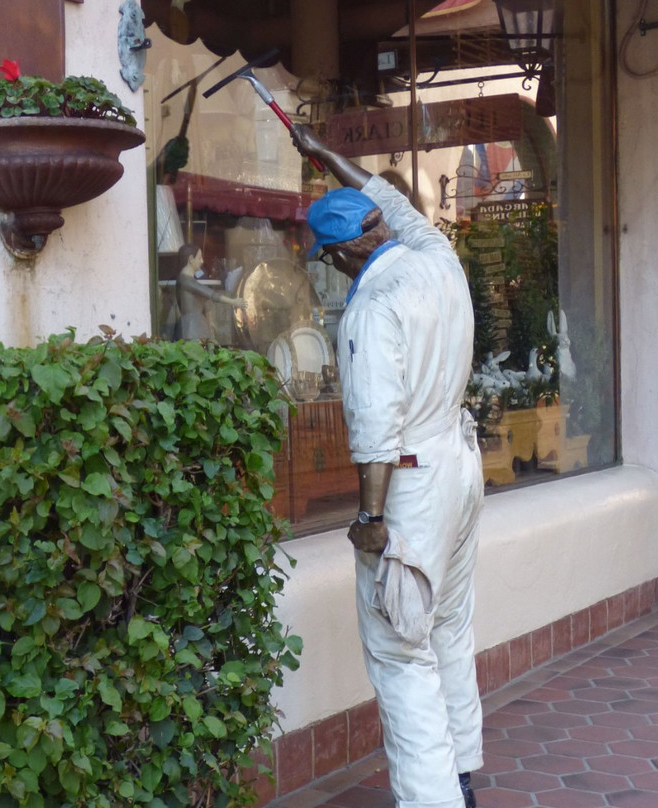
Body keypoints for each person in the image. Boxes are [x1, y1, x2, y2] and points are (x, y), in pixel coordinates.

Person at [290, 123, 485, 808]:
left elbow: (375, 430)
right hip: (460, 466)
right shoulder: (436, 255)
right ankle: (462, 775)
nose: (331, 267)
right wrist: (323, 153)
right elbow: (388, 199)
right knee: (450, 627)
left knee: (403, 653)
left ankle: (435, 800)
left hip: (411, 483)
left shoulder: (372, 305)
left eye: (329, 256)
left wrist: (370, 517)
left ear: (344, 251)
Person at [174, 244, 246, 341]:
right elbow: (211, 294)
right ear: (191, 259)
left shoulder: (186, 280)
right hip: (191, 328)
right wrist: (233, 301)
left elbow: (204, 299)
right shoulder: (185, 281)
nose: (202, 261)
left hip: (196, 325)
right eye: (199, 258)